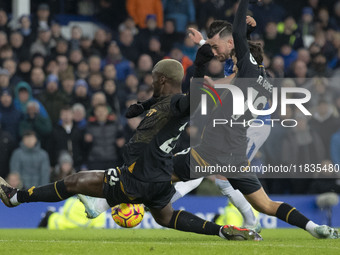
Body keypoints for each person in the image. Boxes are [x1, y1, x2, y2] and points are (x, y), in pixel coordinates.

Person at [0, 59, 261, 241]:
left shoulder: (177, 103)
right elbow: (172, 100)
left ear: (161, 79)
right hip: (159, 178)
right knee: (166, 217)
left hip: (137, 176)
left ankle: (16, 198)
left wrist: (207, 91)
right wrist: (144, 104)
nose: (151, 83)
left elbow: (188, 103)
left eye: (153, 79)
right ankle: (221, 230)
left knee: (73, 182)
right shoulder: (164, 101)